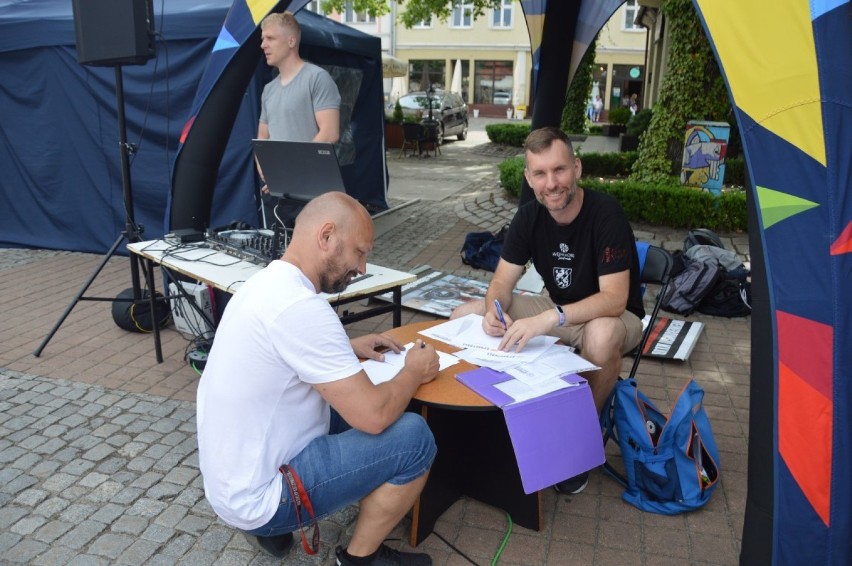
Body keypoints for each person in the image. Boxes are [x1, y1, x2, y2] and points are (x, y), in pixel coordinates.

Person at [197, 192, 439, 566]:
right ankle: (360, 560)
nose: (362, 267)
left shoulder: (265, 284)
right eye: (359, 252)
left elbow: (285, 353)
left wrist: (345, 346)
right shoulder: (301, 308)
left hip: (232, 479)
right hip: (261, 495)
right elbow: (373, 416)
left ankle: (271, 526)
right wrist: (413, 371)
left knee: (346, 403)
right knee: (414, 438)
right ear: (326, 236)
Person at [450, 127, 644, 494]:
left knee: (601, 336)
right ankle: (486, 427)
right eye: (540, 173)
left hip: (614, 317)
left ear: (577, 168)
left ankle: (577, 445)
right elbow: (502, 284)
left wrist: (547, 318)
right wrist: (496, 309)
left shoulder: (606, 214)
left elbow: (615, 299)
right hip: (559, 312)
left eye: (559, 170)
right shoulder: (528, 217)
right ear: (528, 178)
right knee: (465, 314)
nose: (551, 183)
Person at [256, 11, 342, 227]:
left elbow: (330, 133)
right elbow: (262, 138)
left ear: (291, 40)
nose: (263, 45)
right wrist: (269, 171)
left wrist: (288, 174)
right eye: (262, 39)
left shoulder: (317, 78)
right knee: (278, 257)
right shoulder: (268, 90)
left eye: (270, 38)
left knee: (314, 260)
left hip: (313, 196)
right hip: (278, 195)